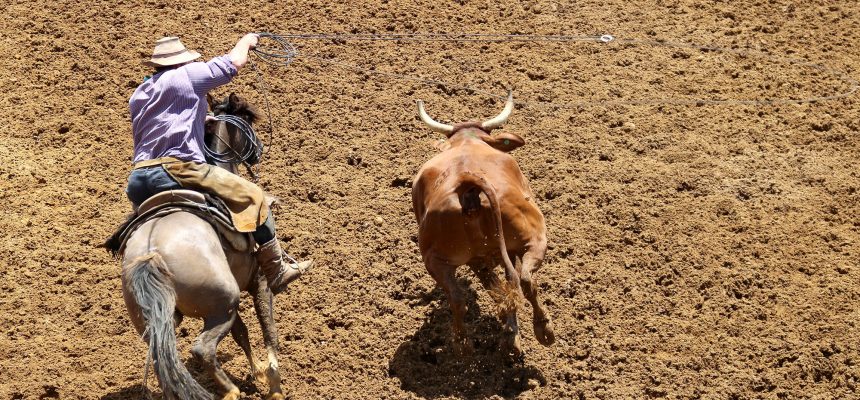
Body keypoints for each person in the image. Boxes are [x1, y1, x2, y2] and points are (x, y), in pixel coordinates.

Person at [126, 34, 312, 295]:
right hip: (178, 171)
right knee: (255, 196)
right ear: (181, 62)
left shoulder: (140, 92)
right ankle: (277, 270)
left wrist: (200, 120)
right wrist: (247, 41)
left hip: (138, 180)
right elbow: (232, 64)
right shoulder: (186, 75)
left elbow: (162, 121)